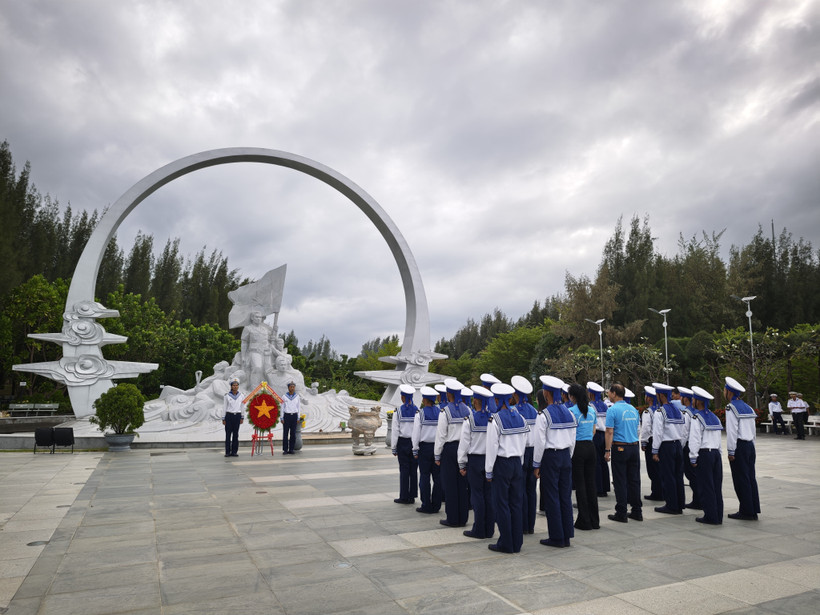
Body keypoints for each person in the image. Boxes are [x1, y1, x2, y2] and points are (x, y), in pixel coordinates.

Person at [485, 382, 528, 553]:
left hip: (502, 464)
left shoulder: (495, 419)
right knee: (516, 504)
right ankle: (517, 542)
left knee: (501, 504)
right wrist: (520, 462)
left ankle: (505, 542)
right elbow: (524, 443)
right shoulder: (520, 417)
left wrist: (489, 470)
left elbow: (492, 447)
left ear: (497, 399)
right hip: (517, 462)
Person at [534, 375, 576, 548]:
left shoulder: (544, 415)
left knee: (552, 497)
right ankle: (566, 535)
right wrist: (567, 456)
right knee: (565, 496)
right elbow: (573, 440)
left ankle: (556, 537)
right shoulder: (570, 413)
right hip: (566, 455)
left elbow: (540, 443)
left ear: (546, 394)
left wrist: (536, 464)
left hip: (551, 457)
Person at [458, 385, 495, 539]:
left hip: (475, 460)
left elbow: (464, 444)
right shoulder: (493, 419)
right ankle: (489, 529)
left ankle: (478, 529)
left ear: (475, 402)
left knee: (477, 495)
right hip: (490, 459)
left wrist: (461, 463)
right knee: (489, 495)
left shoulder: (469, 420)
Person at [604, 382, 642, 523]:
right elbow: (638, 429)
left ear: (614, 393)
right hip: (633, 447)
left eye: (609, 392)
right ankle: (637, 510)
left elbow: (609, 431)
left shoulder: (612, 410)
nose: (608, 395)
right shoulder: (633, 409)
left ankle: (621, 512)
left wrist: (607, 450)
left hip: (620, 447)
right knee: (634, 480)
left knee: (620, 480)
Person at [724, 376, 761, 520]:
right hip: (750, 446)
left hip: (739, 446)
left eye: (725, 390)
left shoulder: (731, 408)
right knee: (750, 478)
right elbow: (753, 430)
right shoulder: (749, 407)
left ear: (729, 392)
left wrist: (731, 450)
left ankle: (746, 511)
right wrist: (753, 446)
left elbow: (732, 431)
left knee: (741, 479)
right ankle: (753, 509)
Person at [435, 378, 470, 527]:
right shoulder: (468, 410)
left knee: (450, 485)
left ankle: (452, 518)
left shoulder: (445, 412)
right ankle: (463, 517)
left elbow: (441, 435)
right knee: (462, 485)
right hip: (464, 448)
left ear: (449, 394)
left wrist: (437, 454)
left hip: (450, 450)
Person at [689, 386, 724, 525]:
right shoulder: (714, 417)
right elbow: (719, 438)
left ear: (698, 401)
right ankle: (718, 515)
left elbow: (695, 439)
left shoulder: (697, 417)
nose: (692, 401)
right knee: (716, 486)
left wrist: (693, 456)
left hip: (704, 454)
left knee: (706, 486)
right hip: (716, 453)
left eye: (693, 399)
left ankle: (710, 516)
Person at [650, 383, 686, 515]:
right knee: (678, 476)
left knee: (668, 476)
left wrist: (655, 450)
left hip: (667, 446)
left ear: (660, 395)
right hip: (677, 445)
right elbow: (683, 431)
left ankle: (671, 505)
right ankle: (680, 503)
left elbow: (658, 433)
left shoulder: (660, 412)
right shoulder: (677, 410)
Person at [568, 383, 599, 530]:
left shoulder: (571, 411)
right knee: (591, 483)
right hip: (590, 447)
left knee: (580, 485)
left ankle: (584, 520)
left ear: (572, 396)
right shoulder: (592, 410)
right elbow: (593, 431)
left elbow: (570, 434)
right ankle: (595, 520)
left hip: (578, 448)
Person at [511, 375, 538, 535]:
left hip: (521, 452)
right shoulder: (534, 411)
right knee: (531, 489)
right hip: (533, 451)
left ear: (515, 394)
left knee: (519, 490)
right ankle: (530, 525)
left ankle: (521, 524)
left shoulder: (514, 412)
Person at [412, 386, 443, 514]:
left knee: (424, 477)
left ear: (425, 400)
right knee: (438, 478)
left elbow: (416, 433)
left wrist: (415, 449)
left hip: (424, 448)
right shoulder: (441, 412)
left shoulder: (420, 414)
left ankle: (426, 504)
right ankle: (436, 504)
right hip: (437, 448)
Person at [674, 386, 701, 510]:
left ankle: (698, 500)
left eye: (682, 396)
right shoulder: (696, 412)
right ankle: (698, 499)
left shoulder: (687, 413)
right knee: (696, 474)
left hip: (689, 447)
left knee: (691, 475)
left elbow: (684, 433)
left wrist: (681, 446)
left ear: (685, 399)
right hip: (698, 446)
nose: (680, 398)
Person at [392, 384, 419, 504]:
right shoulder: (418, 410)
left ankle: (404, 496)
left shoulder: (398, 411)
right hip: (414, 442)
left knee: (404, 470)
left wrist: (394, 447)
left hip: (402, 442)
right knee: (413, 470)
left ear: (403, 397)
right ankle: (412, 495)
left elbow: (395, 430)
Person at [588, 382, 611, 498]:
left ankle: (599, 488)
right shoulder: (604, 405)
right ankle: (605, 486)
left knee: (596, 462)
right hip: (605, 434)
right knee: (603, 461)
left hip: (596, 435)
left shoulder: (591, 406)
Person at [240, 311, 274, 389]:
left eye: (260, 317)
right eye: (256, 317)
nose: (258, 319)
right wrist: (243, 356)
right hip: (254, 351)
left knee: (268, 371)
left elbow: (269, 341)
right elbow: (244, 343)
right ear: (252, 318)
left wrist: (274, 333)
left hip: (266, 353)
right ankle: (254, 388)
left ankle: (266, 388)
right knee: (257, 368)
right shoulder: (248, 328)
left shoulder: (265, 329)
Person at [640, 386, 663, 501]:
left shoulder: (647, 412)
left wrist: (643, 442)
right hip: (660, 441)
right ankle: (660, 491)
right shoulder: (660, 410)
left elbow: (645, 429)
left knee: (653, 468)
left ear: (649, 398)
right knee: (659, 467)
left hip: (651, 441)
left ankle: (656, 492)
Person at [221, 378, 244, 457]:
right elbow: (224, 407)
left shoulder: (241, 395)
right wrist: (223, 418)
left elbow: (242, 407)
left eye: (236, 385)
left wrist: (242, 417)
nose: (235, 387)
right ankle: (227, 452)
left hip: (237, 415)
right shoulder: (227, 396)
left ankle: (234, 451)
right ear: (231, 386)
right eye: (233, 385)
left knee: (235, 434)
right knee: (228, 434)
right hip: (229, 415)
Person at [281, 380, 301, 454]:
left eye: (293, 387)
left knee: (293, 433)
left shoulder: (297, 397)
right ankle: (285, 449)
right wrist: (281, 417)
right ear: (288, 388)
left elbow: (298, 407)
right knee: (285, 433)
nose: (292, 388)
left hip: (294, 415)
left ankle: (291, 449)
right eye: (291, 387)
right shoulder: (284, 396)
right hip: (287, 416)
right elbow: (282, 407)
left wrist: (298, 417)